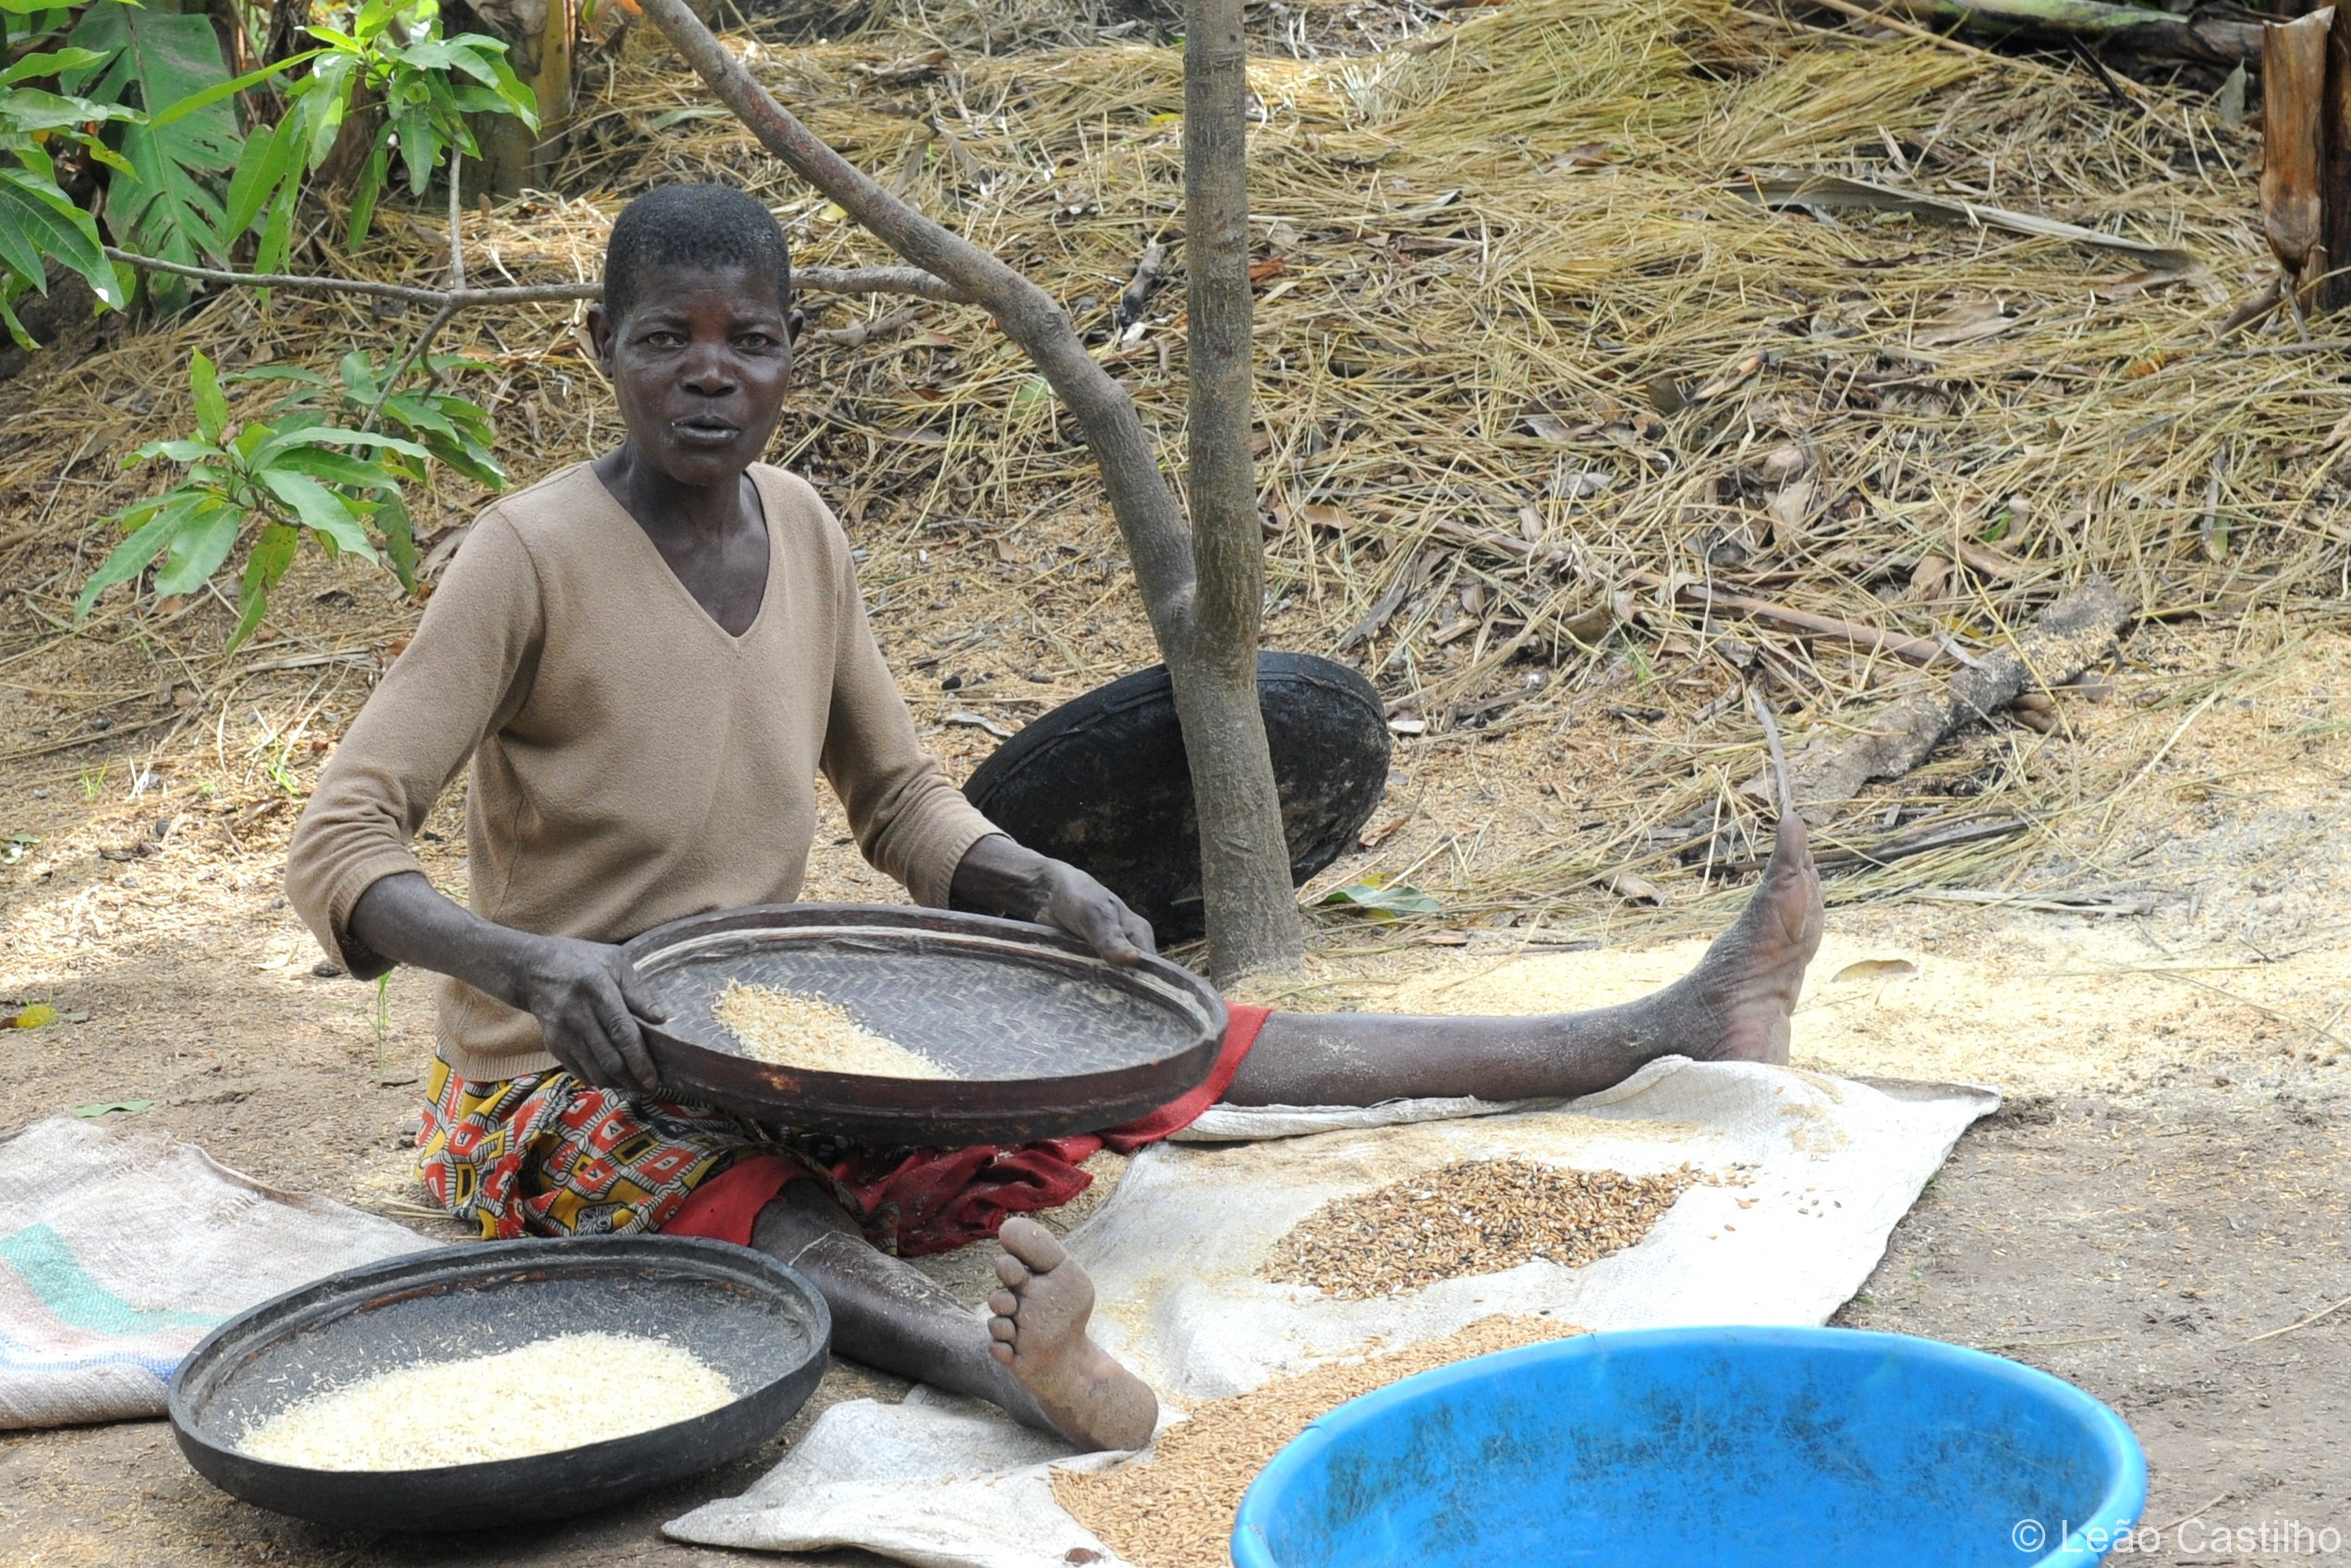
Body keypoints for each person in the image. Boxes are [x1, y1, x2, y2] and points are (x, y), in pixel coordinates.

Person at [286, 183, 1823, 1454]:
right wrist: (532, 968)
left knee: (1163, 1028)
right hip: (559, 1080)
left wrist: (1035, 880)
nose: (709, 373)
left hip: (770, 1019)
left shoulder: (805, 529)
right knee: (778, 1215)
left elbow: (893, 797)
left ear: (792, 355)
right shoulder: (528, 556)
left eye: (749, 341)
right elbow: (341, 841)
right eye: (664, 339)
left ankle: (1651, 1027)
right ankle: (994, 1363)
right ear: (598, 348)